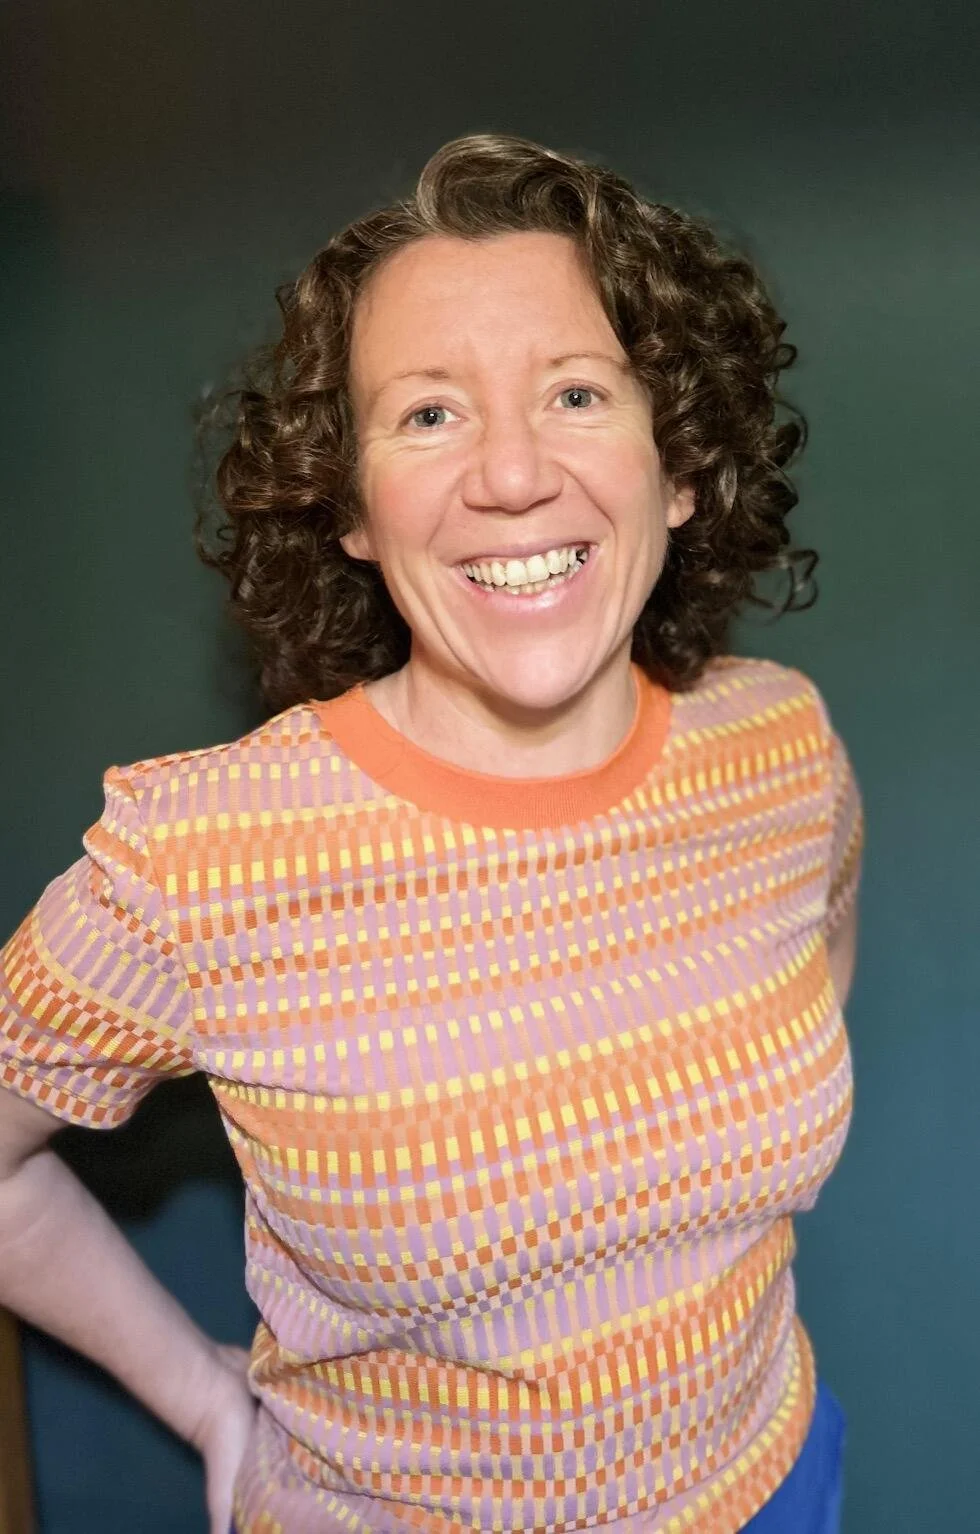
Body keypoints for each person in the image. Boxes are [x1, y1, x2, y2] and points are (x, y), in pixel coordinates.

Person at [0, 133, 862, 1534]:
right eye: (429, 415)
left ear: (682, 466)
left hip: (777, 1483)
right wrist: (210, 1401)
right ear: (349, 507)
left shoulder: (781, 743)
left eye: (578, 392)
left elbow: (810, 974)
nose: (513, 474)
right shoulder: (200, 859)